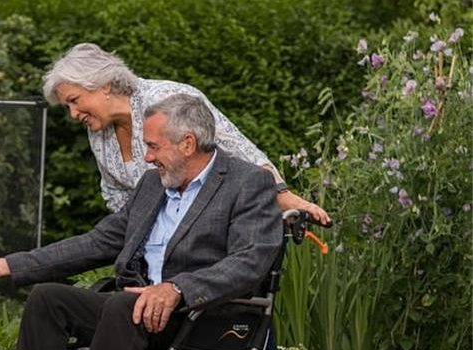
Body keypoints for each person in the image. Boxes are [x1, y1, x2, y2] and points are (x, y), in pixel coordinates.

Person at [0, 94, 283, 350]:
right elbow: (96, 243)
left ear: (188, 144)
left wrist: (177, 288)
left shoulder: (246, 183)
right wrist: (4, 265)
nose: (147, 157)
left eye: (154, 147)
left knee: (123, 305)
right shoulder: (153, 184)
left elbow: (250, 261)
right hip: (138, 312)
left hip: (203, 316)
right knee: (47, 301)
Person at [42, 42, 331, 226]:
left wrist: (282, 195)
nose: (73, 114)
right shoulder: (99, 132)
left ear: (104, 84)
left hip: (204, 231)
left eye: (75, 100)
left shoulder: (168, 98)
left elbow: (240, 151)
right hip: (154, 242)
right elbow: (115, 194)